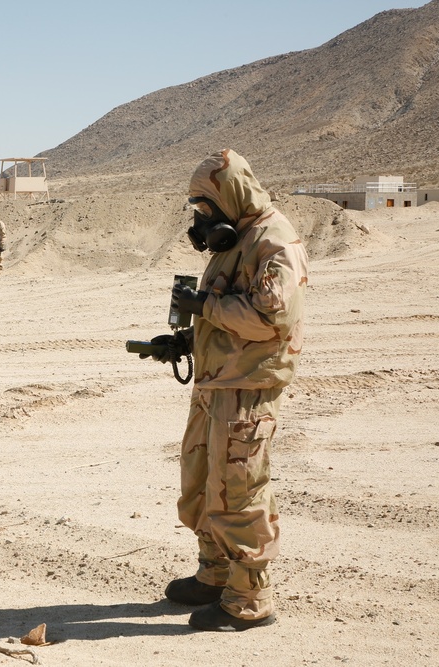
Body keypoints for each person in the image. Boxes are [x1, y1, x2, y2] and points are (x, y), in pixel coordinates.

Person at [145, 149, 308, 632]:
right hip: (217, 383)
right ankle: (215, 573)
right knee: (201, 480)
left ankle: (249, 598)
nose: (201, 218)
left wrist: (204, 306)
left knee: (238, 488)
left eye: (206, 207)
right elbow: (222, 314)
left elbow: (270, 317)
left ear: (230, 196)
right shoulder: (233, 242)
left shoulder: (274, 242)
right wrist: (185, 338)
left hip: (248, 387)